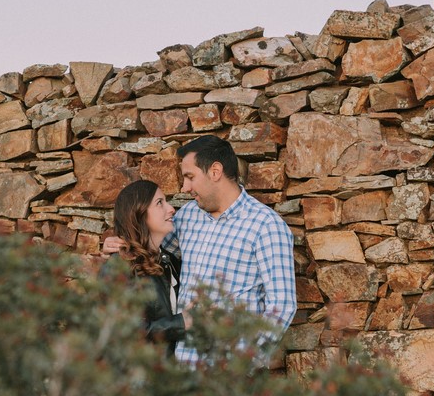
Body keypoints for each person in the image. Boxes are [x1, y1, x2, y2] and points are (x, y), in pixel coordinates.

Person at [105, 135, 297, 368]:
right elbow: (149, 248)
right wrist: (120, 245)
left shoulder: (266, 226)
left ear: (215, 171)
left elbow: (282, 306)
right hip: (180, 368)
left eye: (190, 177)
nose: (185, 188)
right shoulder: (187, 216)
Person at [111, 179, 188, 357]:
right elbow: (122, 330)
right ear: (139, 214)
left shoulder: (169, 261)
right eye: (160, 203)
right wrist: (181, 323)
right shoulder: (119, 266)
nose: (171, 209)